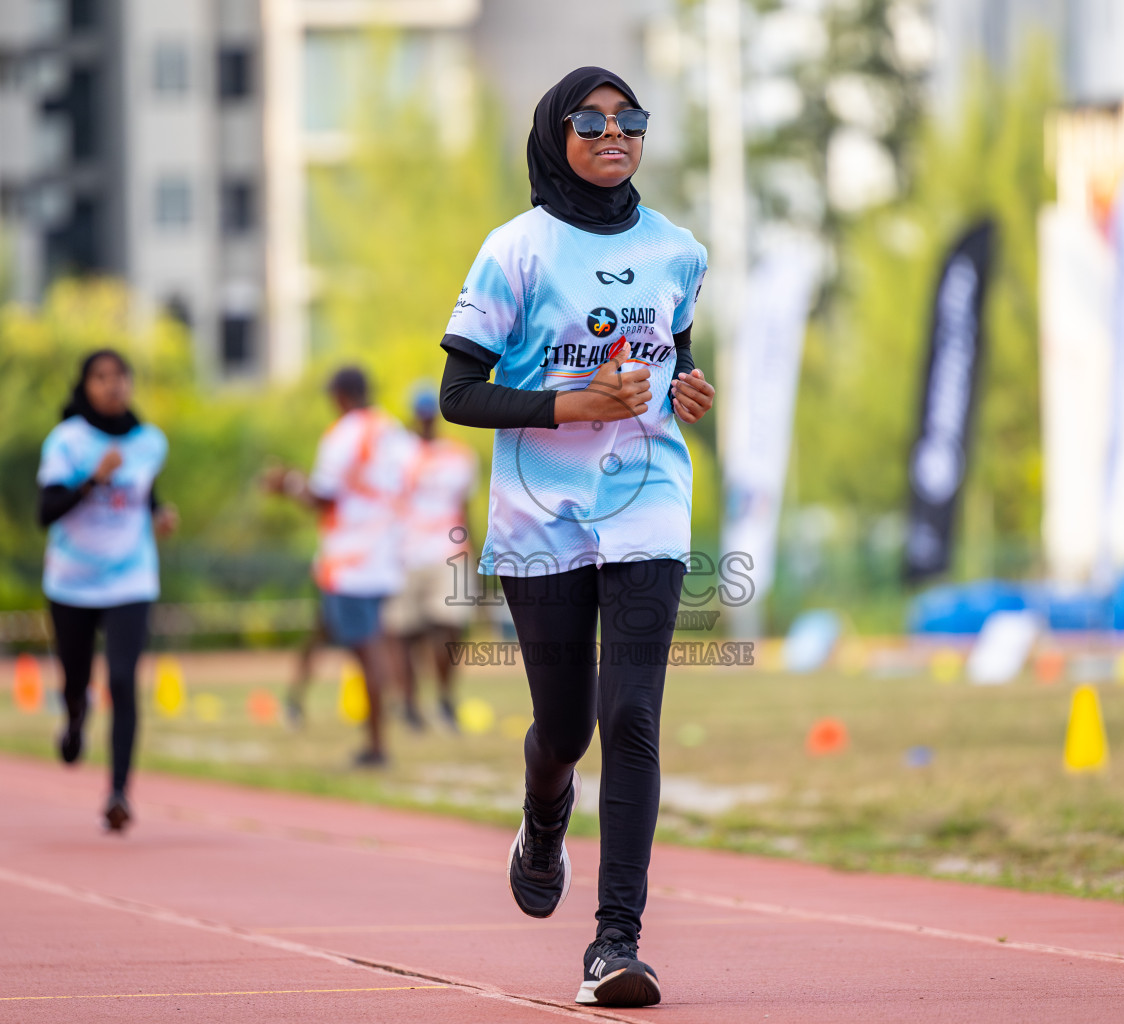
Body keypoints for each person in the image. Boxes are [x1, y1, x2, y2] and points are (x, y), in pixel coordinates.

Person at [437, 67, 714, 1008]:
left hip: (648, 504)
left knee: (630, 715)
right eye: (588, 120)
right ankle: (543, 814)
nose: (612, 132)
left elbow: (677, 348)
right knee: (564, 727)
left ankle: (615, 945)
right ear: (555, 134)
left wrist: (689, 387)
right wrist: (571, 403)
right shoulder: (513, 251)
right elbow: (458, 395)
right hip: (541, 516)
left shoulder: (678, 249)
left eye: (628, 119)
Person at [37, 349, 177, 833]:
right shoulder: (68, 441)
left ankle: (119, 792)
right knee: (76, 680)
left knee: (122, 679)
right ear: (85, 385)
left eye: (120, 376)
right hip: (72, 581)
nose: (112, 385)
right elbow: (46, 510)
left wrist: (159, 513)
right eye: (101, 377)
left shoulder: (150, 442)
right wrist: (94, 479)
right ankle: (75, 718)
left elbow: (143, 491)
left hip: (131, 577)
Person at [265, 367, 416, 766]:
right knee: (352, 636)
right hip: (385, 555)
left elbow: (323, 497)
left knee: (366, 650)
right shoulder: (393, 430)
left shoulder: (344, 434)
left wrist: (287, 484)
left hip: (349, 561)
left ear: (341, 396)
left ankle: (378, 744)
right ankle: (301, 703)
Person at [381, 388, 479, 732]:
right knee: (403, 633)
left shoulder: (458, 455)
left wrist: (476, 554)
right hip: (404, 553)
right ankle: (408, 705)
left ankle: (445, 698)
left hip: (447, 551)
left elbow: (464, 510)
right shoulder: (396, 453)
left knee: (449, 629)